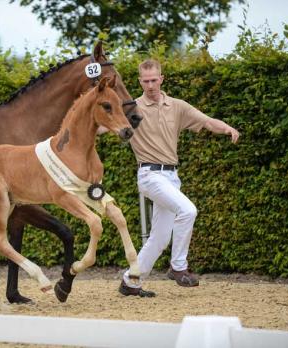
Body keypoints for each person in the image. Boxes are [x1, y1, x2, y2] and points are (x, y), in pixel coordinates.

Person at [119, 59, 239, 297]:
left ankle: (130, 282)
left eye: (154, 79)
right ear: (139, 81)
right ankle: (178, 267)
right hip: (149, 175)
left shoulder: (177, 106)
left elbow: (205, 121)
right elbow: (103, 125)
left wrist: (227, 128)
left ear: (162, 78)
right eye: (146, 81)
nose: (151, 85)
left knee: (160, 238)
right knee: (189, 210)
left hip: (172, 177)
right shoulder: (131, 109)